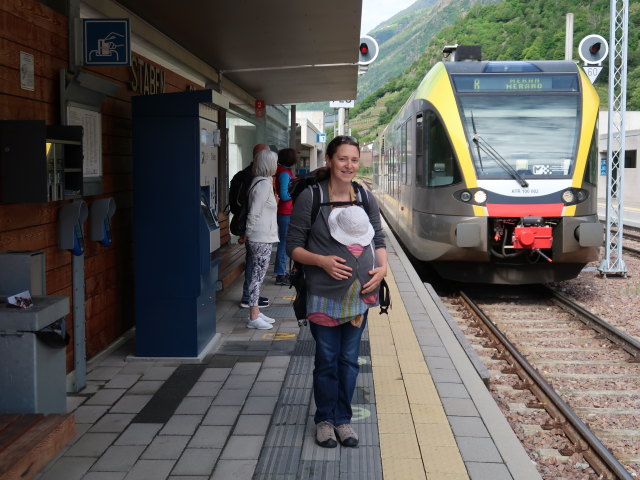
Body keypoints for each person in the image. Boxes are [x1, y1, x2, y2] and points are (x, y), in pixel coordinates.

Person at [286, 135, 388, 448]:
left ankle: (343, 419)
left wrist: (383, 269)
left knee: (349, 360)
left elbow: (379, 239)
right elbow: (293, 247)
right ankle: (325, 420)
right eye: (342, 159)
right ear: (330, 160)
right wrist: (322, 262)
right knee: (327, 359)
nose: (349, 165)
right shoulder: (312, 197)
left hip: (360, 297)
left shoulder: (364, 195)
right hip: (323, 296)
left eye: (354, 160)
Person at [242, 148, 279, 329]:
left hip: (260, 236)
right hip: (260, 237)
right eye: (274, 163)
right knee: (257, 276)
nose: (276, 166)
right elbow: (254, 212)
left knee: (258, 275)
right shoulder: (264, 184)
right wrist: (248, 234)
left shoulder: (260, 181)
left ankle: (256, 311)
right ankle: (253, 317)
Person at [237, 143, 271, 309]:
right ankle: (250, 302)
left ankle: (252, 302)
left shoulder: (257, 177)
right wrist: (247, 233)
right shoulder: (258, 180)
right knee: (255, 268)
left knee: (255, 268)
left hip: (255, 231)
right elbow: (255, 211)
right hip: (256, 232)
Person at [273, 148, 298, 285]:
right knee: (283, 243)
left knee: (284, 242)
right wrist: (296, 194)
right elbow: (283, 195)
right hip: (285, 212)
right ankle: (280, 274)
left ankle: (281, 271)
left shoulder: (283, 170)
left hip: (285, 212)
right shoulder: (283, 173)